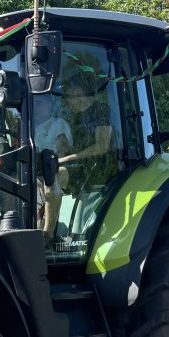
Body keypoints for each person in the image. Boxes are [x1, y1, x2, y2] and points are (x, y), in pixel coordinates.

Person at [35, 72, 114, 238]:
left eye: (68, 97)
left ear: (77, 93)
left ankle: (47, 235)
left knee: (54, 177)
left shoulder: (101, 110)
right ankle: (35, 225)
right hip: (78, 166)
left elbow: (102, 146)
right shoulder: (77, 118)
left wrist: (64, 159)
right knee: (38, 179)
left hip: (97, 167)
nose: (67, 102)